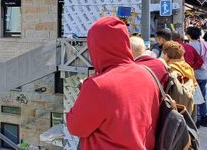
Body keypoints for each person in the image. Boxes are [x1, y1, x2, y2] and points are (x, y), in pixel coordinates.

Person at [67, 17, 160, 150]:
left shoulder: (97, 85)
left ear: (95, 46)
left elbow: (75, 127)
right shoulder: (147, 74)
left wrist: (86, 94)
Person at [162, 41, 198, 115]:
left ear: (166, 55)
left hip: (175, 106)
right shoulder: (187, 66)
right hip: (189, 104)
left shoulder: (170, 68)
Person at [186, 26, 207, 127]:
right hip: (203, 74)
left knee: (195, 98)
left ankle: (198, 119)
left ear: (189, 35)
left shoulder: (190, 46)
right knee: (203, 97)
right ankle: (204, 118)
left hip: (194, 74)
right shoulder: (205, 44)